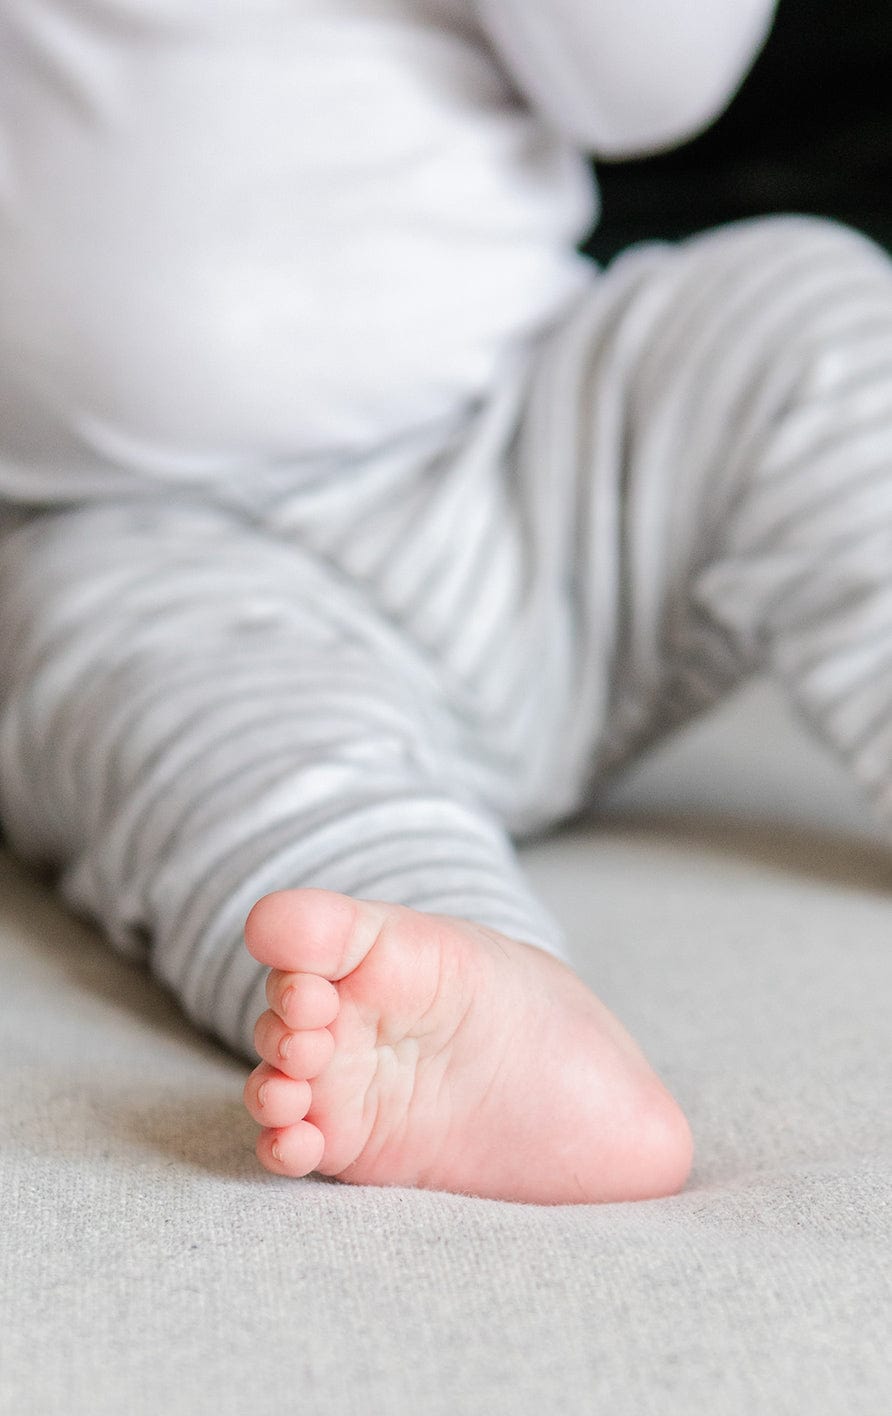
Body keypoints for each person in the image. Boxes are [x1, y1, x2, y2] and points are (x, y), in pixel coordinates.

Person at [2, 0, 890, 1205]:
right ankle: (458, 982)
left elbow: (644, 88)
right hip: (154, 541)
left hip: (540, 456)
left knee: (802, 318)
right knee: (145, 694)